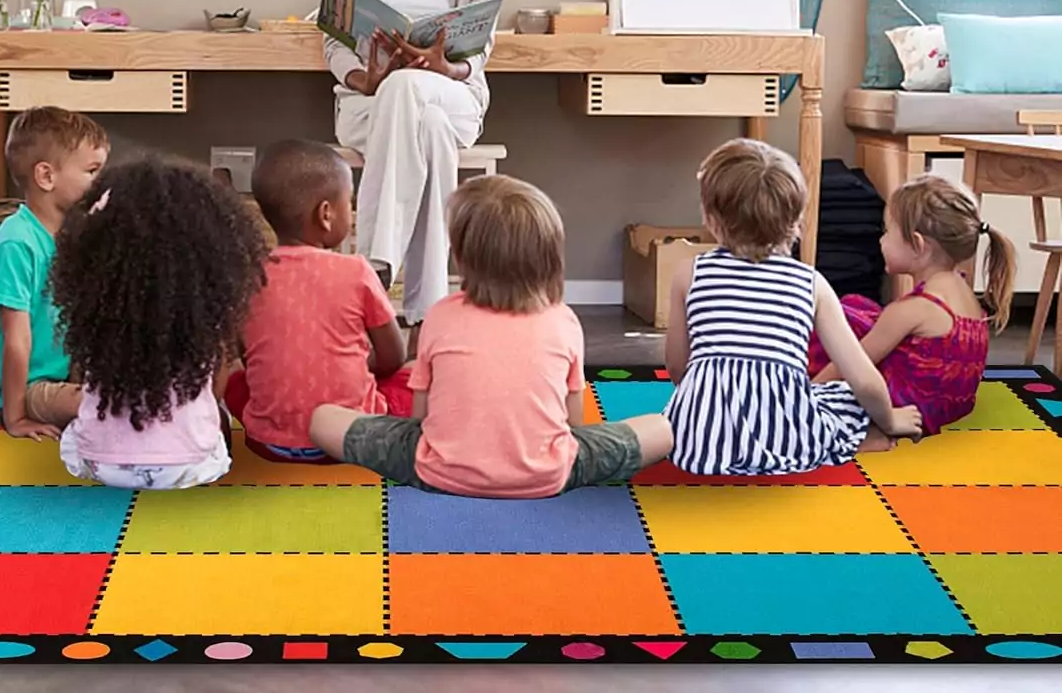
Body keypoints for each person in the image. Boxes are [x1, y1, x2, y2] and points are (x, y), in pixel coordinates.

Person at [310, 177, 672, 497]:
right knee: (662, 428)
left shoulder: (440, 314)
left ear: (464, 258)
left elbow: (421, 417)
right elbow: (573, 424)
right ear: (548, 256)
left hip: (439, 471)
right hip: (548, 476)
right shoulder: (564, 320)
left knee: (323, 418)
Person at [323, 0, 510, 336]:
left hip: (455, 95)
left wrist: (445, 68)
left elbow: (481, 44)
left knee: (418, 96)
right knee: (415, 112)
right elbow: (335, 35)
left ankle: (374, 271)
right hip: (369, 102)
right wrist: (365, 77)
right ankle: (427, 309)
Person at [665, 139, 923, 475]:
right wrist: (891, 419)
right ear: (797, 220)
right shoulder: (810, 283)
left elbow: (677, 367)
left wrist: (709, 400)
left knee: (674, 417)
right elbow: (865, 380)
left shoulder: (690, 272)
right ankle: (860, 440)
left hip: (697, 443)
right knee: (840, 396)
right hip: (788, 437)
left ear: (711, 219)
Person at [52, 156, 268, 489]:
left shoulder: (97, 314)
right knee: (215, 416)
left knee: (79, 424)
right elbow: (215, 389)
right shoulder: (201, 318)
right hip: (188, 467)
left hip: (101, 465)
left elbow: (83, 380)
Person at [225, 140, 410, 462]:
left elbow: (247, 356)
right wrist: (356, 368)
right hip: (355, 439)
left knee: (233, 378)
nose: (350, 214)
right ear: (326, 214)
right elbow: (394, 357)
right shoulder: (356, 271)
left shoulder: (247, 275)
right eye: (347, 204)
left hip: (268, 445)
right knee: (414, 374)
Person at [811, 174, 1014, 436]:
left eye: (887, 232)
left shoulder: (914, 308)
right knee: (857, 308)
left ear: (918, 245)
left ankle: (868, 434)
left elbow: (848, 364)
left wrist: (807, 398)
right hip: (951, 405)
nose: (881, 240)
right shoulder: (963, 291)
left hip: (910, 409)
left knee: (835, 325)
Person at [0, 107, 109, 438]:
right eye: (92, 171)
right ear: (46, 176)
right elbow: (17, 339)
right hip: (22, 390)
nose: (101, 183)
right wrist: (16, 418)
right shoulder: (16, 244)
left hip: (61, 376)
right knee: (109, 406)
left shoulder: (73, 236)